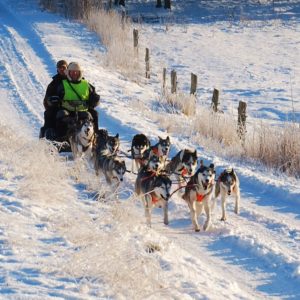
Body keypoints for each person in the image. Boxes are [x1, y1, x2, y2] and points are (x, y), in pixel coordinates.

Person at [53, 61, 100, 140]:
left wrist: (95, 99)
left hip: (83, 110)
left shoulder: (86, 84)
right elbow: (55, 96)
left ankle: (94, 138)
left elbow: (94, 96)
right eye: (72, 72)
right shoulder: (62, 84)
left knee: (91, 115)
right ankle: (60, 139)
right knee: (61, 114)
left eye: (76, 72)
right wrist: (54, 100)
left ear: (80, 73)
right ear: (68, 73)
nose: (74, 73)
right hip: (67, 110)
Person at [40, 60, 68, 138]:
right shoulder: (53, 84)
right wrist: (51, 102)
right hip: (58, 107)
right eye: (60, 68)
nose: (62, 69)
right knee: (49, 113)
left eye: (63, 67)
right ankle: (46, 137)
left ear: (67, 68)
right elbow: (46, 100)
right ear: (57, 69)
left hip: (74, 106)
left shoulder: (73, 79)